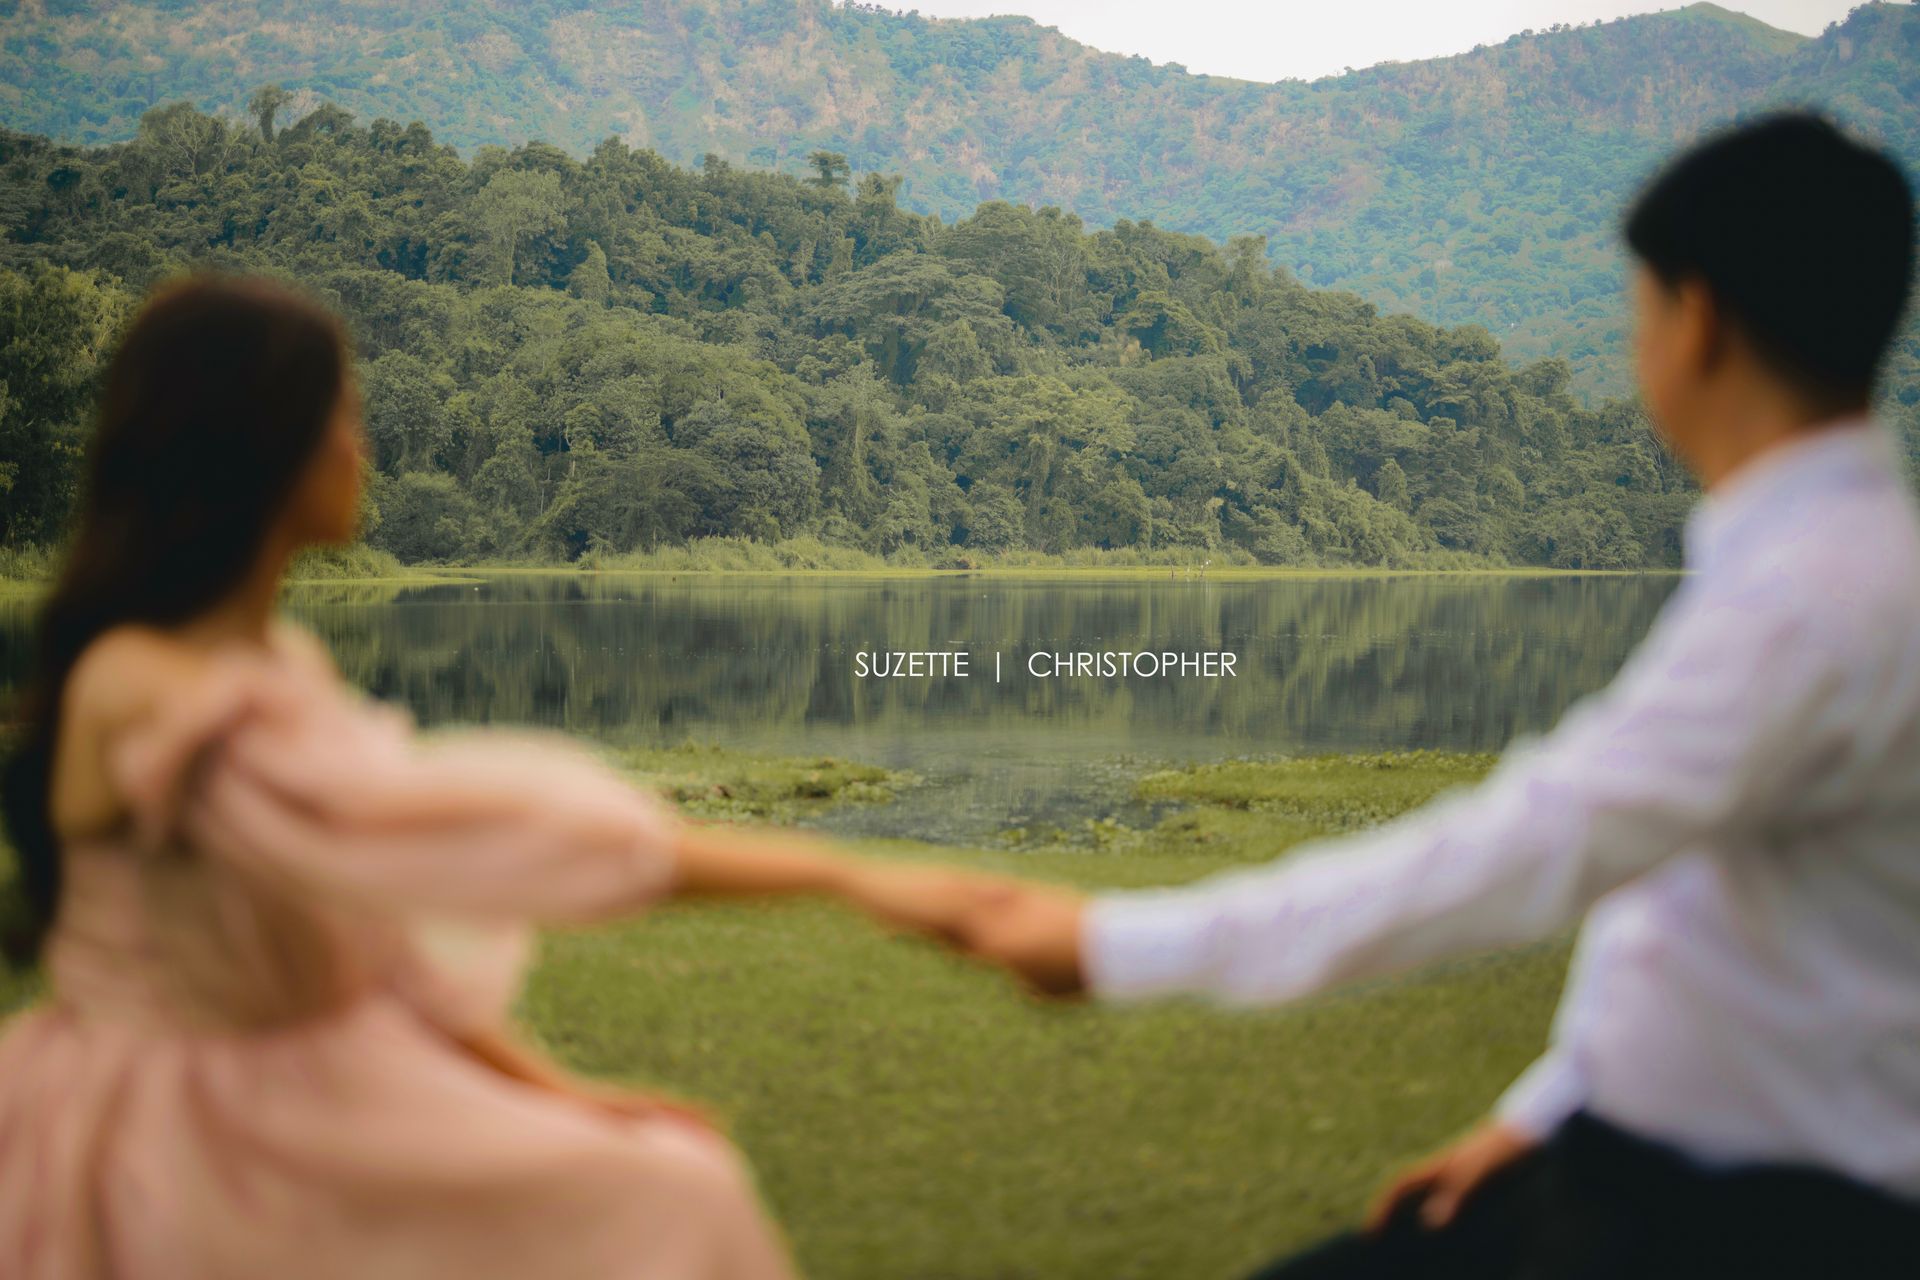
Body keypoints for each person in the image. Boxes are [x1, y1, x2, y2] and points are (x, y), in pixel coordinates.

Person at [899, 114, 1920, 1277]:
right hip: (1636, 1168)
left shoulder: (1807, 602)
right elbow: (1685, 899)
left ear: (1697, 320)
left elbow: (1535, 842)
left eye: (1637, 311)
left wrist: (1111, 943)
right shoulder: (1830, 567)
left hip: (1749, 1220)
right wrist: (1544, 1112)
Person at [0, 276, 966, 1279]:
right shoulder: (139, 681)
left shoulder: (282, 666)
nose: (360, 451)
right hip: (173, 1133)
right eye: (343, 419)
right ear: (263, 446)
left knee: (677, 1175)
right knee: (680, 1192)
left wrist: (565, 1097)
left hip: (302, 1104)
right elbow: (409, 827)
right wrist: (846, 874)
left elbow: (377, 961)